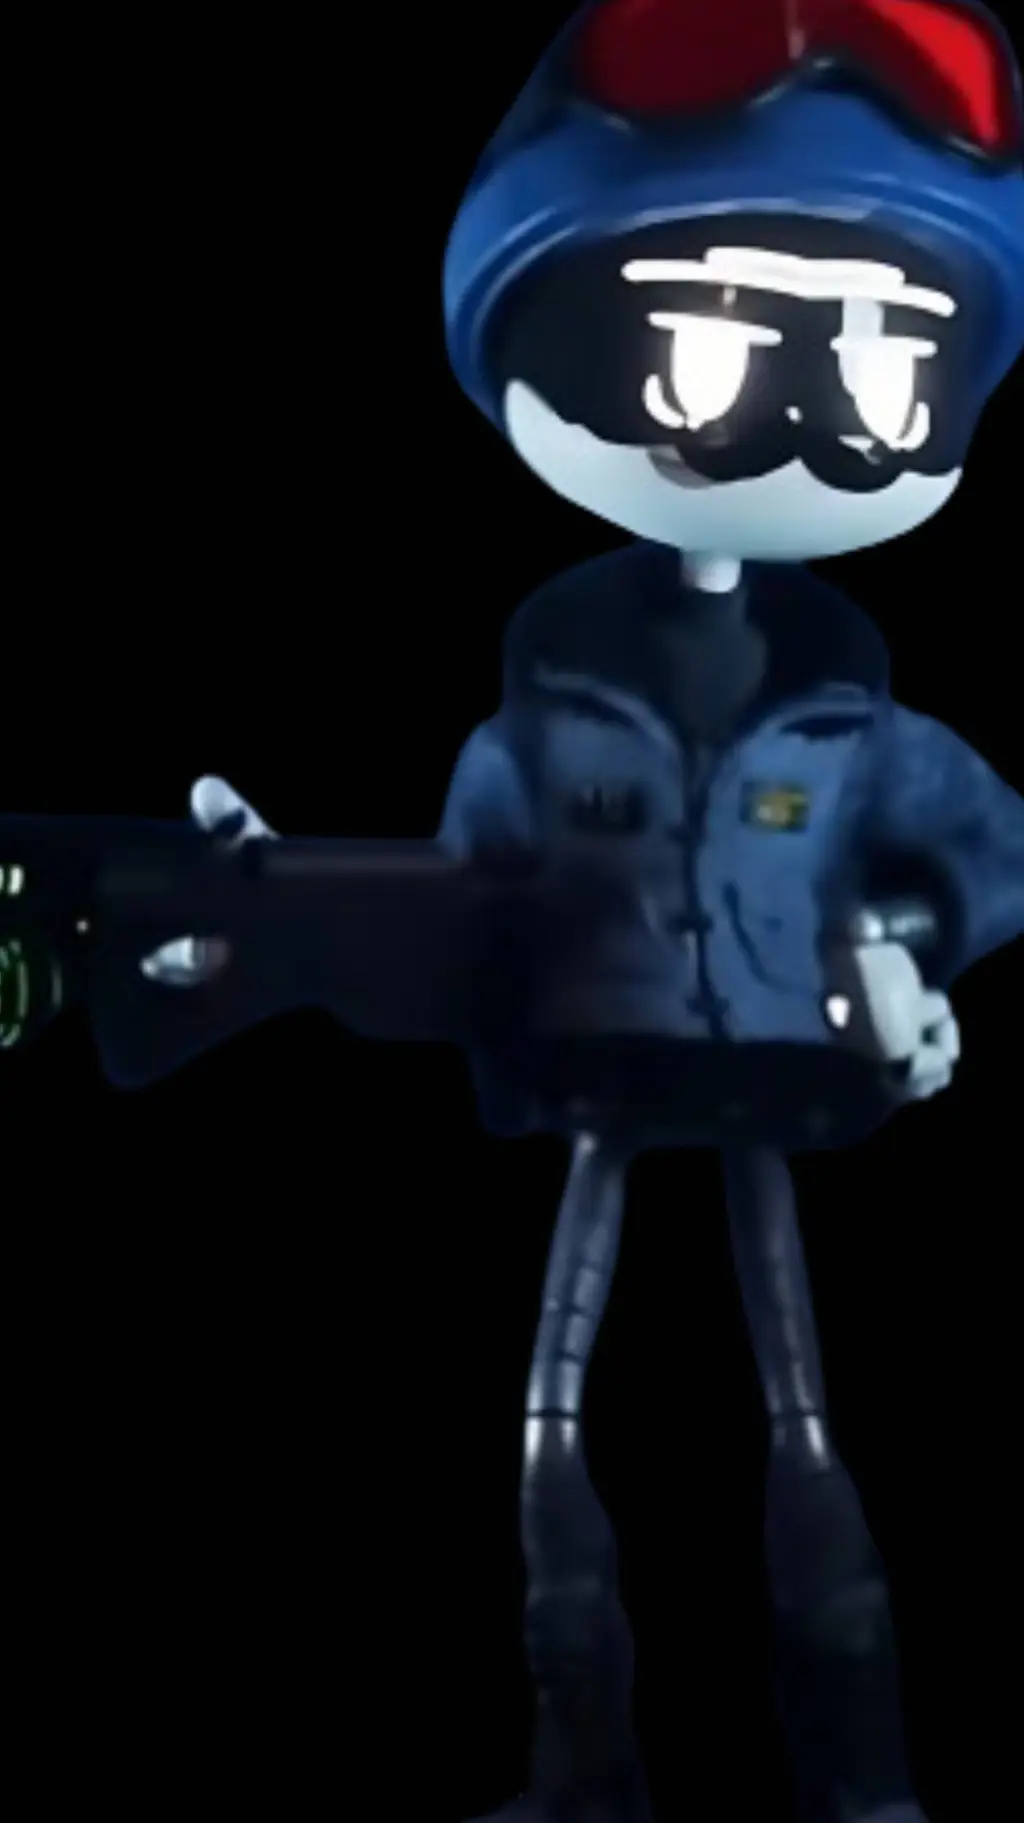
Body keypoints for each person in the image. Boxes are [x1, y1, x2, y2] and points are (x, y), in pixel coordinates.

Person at [153, 3, 1024, 1817]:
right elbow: (463, 909)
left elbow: (976, 841)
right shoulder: (545, 716)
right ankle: (584, 1762)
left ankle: (861, 1766)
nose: (810, 428)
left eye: (887, 372)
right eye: (705, 348)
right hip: (602, 1079)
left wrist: (912, 950)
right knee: (554, 1406)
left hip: (782, 1082)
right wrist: (282, 912)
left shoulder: (855, 717)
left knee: (800, 1410)